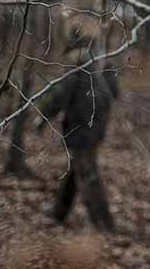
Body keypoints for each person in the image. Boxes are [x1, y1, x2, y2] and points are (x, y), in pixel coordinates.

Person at [36, 29, 118, 233]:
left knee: (88, 175)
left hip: (83, 128)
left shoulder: (76, 63)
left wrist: (43, 117)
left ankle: (104, 224)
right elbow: (113, 94)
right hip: (94, 126)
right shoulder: (99, 62)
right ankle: (59, 212)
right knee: (75, 170)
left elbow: (61, 94)